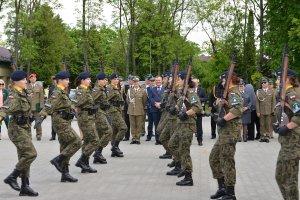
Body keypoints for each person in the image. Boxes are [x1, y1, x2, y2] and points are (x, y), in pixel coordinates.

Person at [38, 71, 81, 183]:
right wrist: (41, 118)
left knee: (65, 146)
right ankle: (58, 160)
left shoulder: (62, 92)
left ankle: (64, 173)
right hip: (60, 122)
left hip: (65, 121)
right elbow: (49, 105)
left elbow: (66, 104)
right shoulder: (57, 92)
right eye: (66, 79)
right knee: (77, 142)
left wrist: (73, 109)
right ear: (60, 80)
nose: (68, 81)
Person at [0, 70, 38, 196]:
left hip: (25, 127)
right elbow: (4, 110)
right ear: (16, 81)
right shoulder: (14, 95)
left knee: (24, 157)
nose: (25, 81)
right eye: (23, 80)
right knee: (31, 154)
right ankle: (12, 177)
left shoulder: (24, 92)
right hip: (16, 129)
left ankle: (24, 186)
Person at [209, 71, 242, 200]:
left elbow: (238, 109)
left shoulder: (234, 92)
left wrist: (224, 119)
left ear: (230, 80)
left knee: (227, 161)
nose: (222, 83)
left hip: (230, 132)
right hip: (224, 133)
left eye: (223, 80)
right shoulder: (227, 93)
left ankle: (231, 193)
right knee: (214, 158)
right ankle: (222, 187)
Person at [172, 72, 202, 186]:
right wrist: (174, 109)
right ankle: (181, 166)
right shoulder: (183, 92)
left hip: (188, 124)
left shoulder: (190, 92)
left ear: (185, 80)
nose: (178, 81)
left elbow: (198, 107)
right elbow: (180, 104)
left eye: (179, 79)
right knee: (172, 144)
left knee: (185, 151)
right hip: (181, 124)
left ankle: (188, 177)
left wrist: (186, 114)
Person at [274, 69, 300, 200]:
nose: (277, 81)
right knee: (280, 176)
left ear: (288, 78)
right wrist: (278, 125)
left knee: (289, 180)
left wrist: (287, 128)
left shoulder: (291, 94)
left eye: (279, 78)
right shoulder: (283, 94)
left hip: (293, 143)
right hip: (286, 144)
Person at [74, 72, 98, 173]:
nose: (90, 81)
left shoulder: (85, 90)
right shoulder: (81, 91)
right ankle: (82, 160)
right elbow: (78, 103)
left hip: (88, 117)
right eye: (88, 79)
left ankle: (85, 164)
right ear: (82, 80)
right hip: (85, 119)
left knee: (88, 141)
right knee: (94, 140)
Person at [92, 73, 113, 164]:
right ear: (99, 80)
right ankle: (97, 152)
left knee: (101, 134)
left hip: (103, 112)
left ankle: (98, 155)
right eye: (104, 80)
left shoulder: (103, 89)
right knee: (108, 132)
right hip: (98, 113)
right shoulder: (97, 90)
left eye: (106, 80)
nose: (106, 81)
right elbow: (91, 101)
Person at [107, 73, 127, 157]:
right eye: (115, 79)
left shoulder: (116, 87)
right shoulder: (109, 88)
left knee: (115, 130)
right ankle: (115, 146)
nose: (116, 80)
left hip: (118, 110)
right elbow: (106, 99)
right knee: (123, 128)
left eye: (117, 79)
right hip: (113, 111)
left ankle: (114, 150)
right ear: (111, 80)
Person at [127, 76, 147, 144]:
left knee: (139, 125)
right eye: (134, 82)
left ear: (139, 83)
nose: (135, 83)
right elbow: (127, 100)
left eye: (137, 82)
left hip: (139, 110)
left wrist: (141, 107)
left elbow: (144, 101)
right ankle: (133, 138)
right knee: (132, 125)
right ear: (133, 82)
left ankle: (138, 138)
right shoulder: (129, 90)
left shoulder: (143, 91)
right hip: (131, 110)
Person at [256, 77, 275, 143]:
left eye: (265, 83)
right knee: (262, 124)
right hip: (261, 110)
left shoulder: (271, 91)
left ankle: (267, 136)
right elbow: (257, 102)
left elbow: (273, 102)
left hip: (269, 110)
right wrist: (258, 111)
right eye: (262, 83)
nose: (263, 84)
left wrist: (273, 110)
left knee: (268, 124)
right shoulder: (259, 91)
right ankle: (262, 136)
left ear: (267, 83)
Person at [27, 72, 44, 141]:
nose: (33, 78)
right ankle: (29, 135)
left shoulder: (39, 87)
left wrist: (41, 107)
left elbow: (41, 98)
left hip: (37, 107)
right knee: (28, 122)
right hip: (28, 107)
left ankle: (39, 135)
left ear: (36, 78)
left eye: (34, 77)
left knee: (38, 122)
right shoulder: (26, 86)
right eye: (31, 77)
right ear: (29, 79)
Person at [149, 76, 164, 144]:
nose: (158, 81)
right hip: (154, 109)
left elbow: (166, 98)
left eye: (159, 80)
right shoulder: (152, 89)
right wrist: (155, 104)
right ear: (155, 81)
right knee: (156, 124)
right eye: (157, 80)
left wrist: (161, 104)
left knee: (163, 124)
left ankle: (162, 139)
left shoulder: (165, 89)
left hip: (163, 109)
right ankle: (157, 140)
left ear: (162, 81)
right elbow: (150, 98)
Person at [193, 78, 208, 146]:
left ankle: (200, 140)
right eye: (193, 82)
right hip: (191, 110)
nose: (194, 84)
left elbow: (206, 98)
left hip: (199, 110)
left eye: (196, 83)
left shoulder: (202, 90)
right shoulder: (189, 90)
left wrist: (199, 99)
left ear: (198, 83)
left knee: (199, 126)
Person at [122, 75, 133, 141]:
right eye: (129, 80)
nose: (130, 81)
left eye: (131, 80)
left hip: (134, 106)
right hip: (126, 106)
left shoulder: (136, 87)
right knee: (127, 122)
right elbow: (122, 96)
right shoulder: (125, 87)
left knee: (134, 122)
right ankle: (127, 136)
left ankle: (135, 137)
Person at [146, 76, 155, 141]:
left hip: (155, 107)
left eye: (153, 81)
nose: (152, 82)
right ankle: (149, 135)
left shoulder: (156, 88)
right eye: (151, 81)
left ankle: (157, 135)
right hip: (149, 107)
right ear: (149, 81)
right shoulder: (147, 88)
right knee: (150, 122)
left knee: (156, 122)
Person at [48, 76, 57, 141]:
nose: (54, 81)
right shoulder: (51, 87)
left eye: (55, 80)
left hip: (60, 107)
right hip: (53, 107)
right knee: (53, 122)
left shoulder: (61, 87)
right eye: (53, 80)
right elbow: (49, 97)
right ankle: (53, 136)